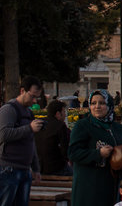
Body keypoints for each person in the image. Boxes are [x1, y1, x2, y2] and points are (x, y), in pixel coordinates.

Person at [69, 90, 122, 206]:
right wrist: (98, 154)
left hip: (113, 185)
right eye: (93, 103)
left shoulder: (118, 128)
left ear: (109, 105)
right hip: (89, 186)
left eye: (101, 103)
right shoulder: (83, 125)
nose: (97, 106)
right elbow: (73, 153)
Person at [0, 76, 45, 206]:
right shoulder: (9, 109)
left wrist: (36, 168)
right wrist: (29, 128)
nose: (34, 100)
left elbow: (31, 143)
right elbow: (3, 134)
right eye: (32, 96)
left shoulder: (29, 113)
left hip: (25, 169)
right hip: (8, 168)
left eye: (37, 97)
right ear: (22, 91)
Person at [33, 99, 71, 178]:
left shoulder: (38, 123)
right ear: (58, 114)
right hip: (55, 168)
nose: (65, 115)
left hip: (38, 167)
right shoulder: (60, 126)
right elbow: (65, 149)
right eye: (64, 112)